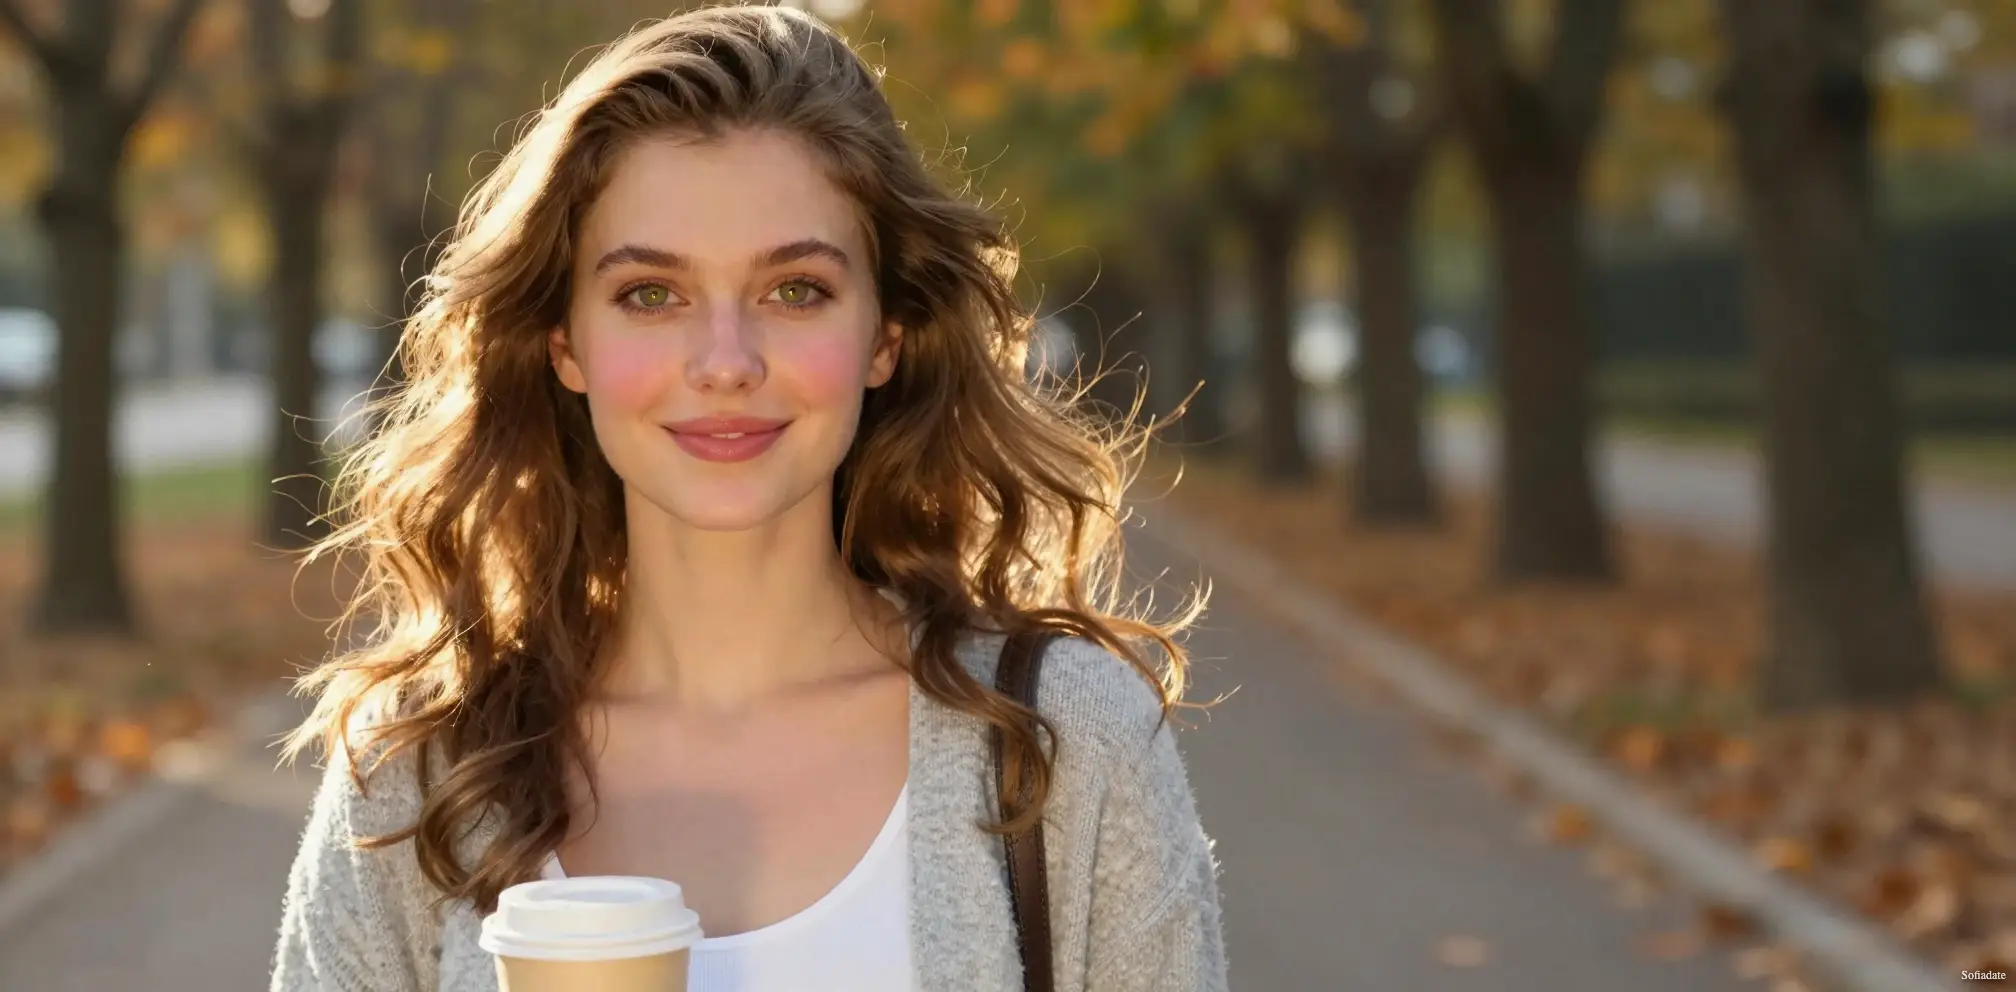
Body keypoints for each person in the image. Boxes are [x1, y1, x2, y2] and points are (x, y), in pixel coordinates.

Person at [269, 6, 1227, 991]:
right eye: (652, 294)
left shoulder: (1063, 740)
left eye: (795, 289)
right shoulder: (417, 772)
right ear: (566, 344)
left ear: (884, 334)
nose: (725, 362)